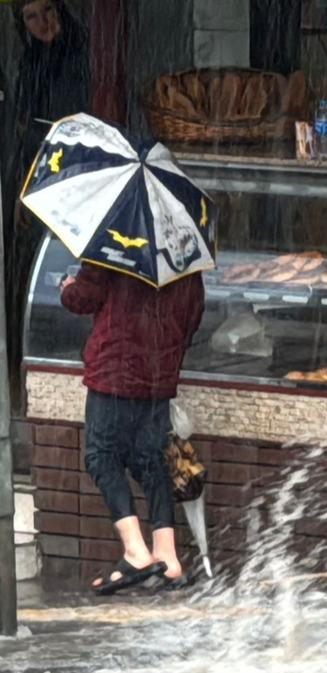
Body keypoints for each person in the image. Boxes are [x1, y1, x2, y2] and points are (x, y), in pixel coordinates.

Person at [60, 264, 205, 594]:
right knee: (151, 461)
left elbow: (83, 298)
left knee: (101, 457)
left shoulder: (114, 244)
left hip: (115, 370)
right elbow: (194, 315)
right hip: (159, 374)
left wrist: (68, 287)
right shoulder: (181, 253)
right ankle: (167, 557)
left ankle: (136, 552)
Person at [5, 0, 90, 413]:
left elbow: (72, 124)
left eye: (47, 11)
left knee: (66, 265)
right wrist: (23, 187)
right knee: (34, 269)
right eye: (31, 17)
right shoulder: (31, 60)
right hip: (37, 170)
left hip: (72, 172)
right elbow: (27, 127)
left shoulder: (78, 53)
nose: (43, 23)